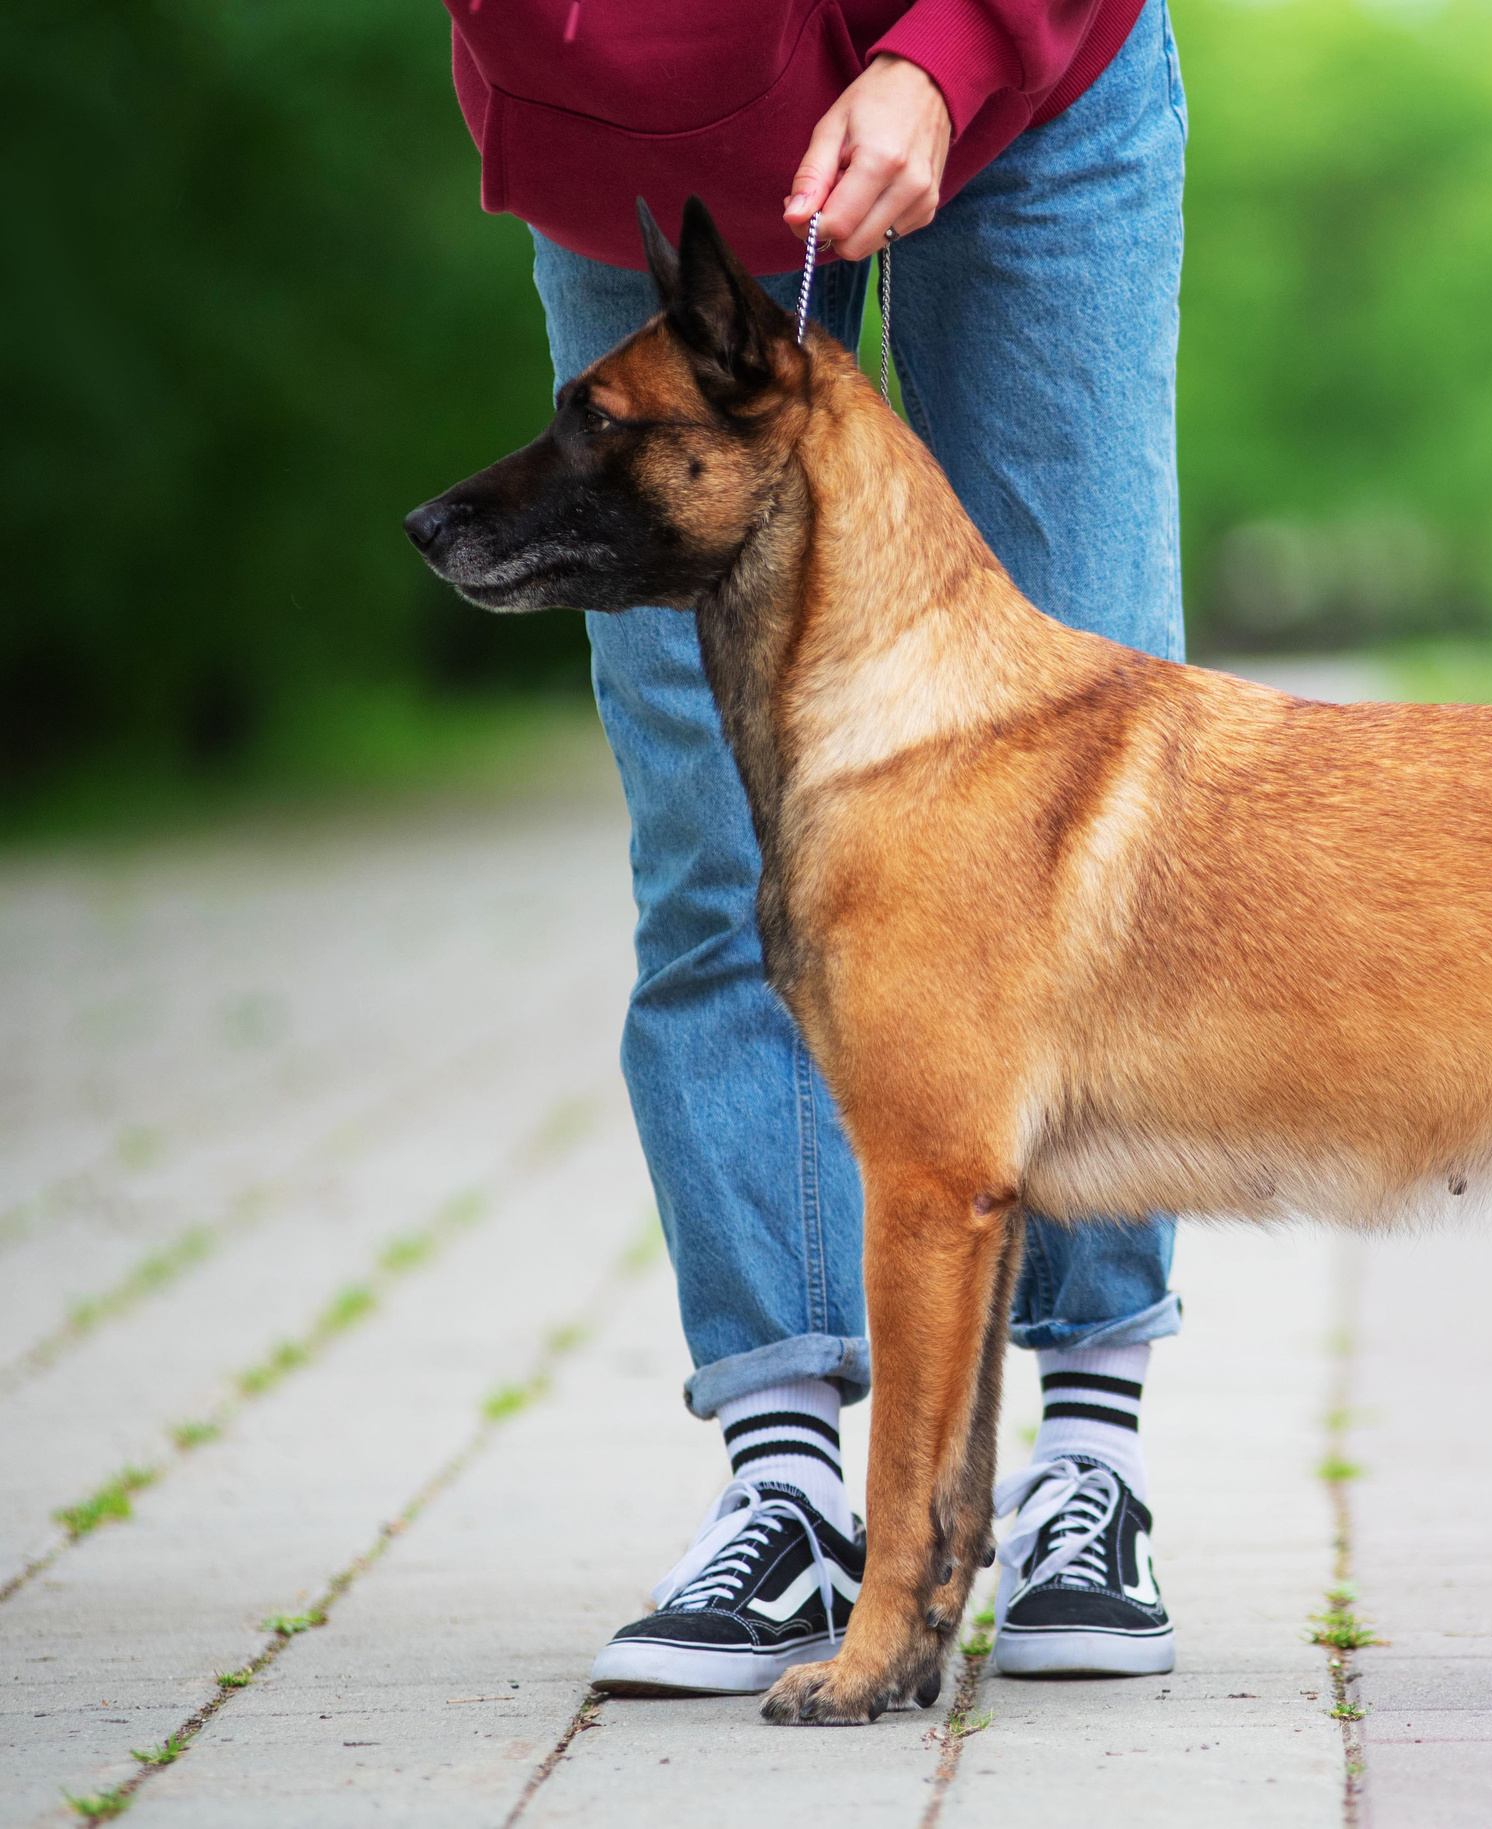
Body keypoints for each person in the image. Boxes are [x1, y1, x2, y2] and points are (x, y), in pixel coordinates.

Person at [437, 0, 1189, 1694]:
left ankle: (1094, 1451)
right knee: (725, 840)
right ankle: (784, 1475)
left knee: (1084, 745)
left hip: (1037, 82)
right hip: (635, 135)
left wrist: (949, 50)